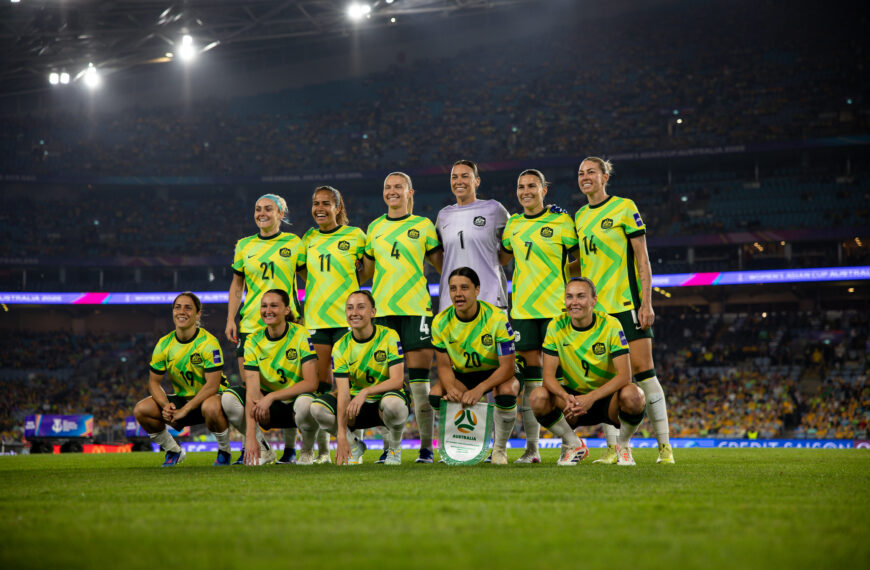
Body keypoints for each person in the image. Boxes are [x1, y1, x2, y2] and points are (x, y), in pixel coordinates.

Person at [573, 157, 674, 464]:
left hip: (626, 306)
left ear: (605, 177)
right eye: (581, 173)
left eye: (591, 171)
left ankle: (664, 448)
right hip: (597, 313)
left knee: (644, 373)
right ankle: (614, 449)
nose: (585, 177)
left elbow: (643, 260)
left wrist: (647, 302)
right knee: (606, 381)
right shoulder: (578, 216)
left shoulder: (624, 207)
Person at [360, 172, 443, 463]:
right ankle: (391, 448)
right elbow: (365, 274)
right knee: (388, 386)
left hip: (416, 310)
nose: (392, 191)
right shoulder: (374, 227)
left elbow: (443, 264)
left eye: (398, 187)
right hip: (381, 313)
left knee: (420, 385)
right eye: (387, 187)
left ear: (410, 192)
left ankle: (426, 449)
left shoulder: (423, 226)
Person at [500, 169, 579, 463]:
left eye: (532, 186)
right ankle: (532, 450)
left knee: (559, 380)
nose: (525, 191)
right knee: (531, 383)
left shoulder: (561, 221)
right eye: (521, 187)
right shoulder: (513, 225)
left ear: (544, 189)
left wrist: (565, 286)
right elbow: (503, 257)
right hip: (522, 311)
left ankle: (568, 447)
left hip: (556, 311)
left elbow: (577, 258)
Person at [529, 278, 646, 466]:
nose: (574, 302)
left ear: (594, 300)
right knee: (537, 397)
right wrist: (565, 396)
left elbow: (625, 375)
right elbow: (548, 377)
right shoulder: (555, 326)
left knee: (635, 395)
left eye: (581, 296)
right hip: (572, 402)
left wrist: (591, 397)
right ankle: (574, 444)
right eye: (569, 297)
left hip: (608, 399)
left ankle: (623, 446)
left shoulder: (611, 325)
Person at [225, 193, 304, 463]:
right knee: (252, 389)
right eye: (258, 209)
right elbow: (237, 286)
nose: (262, 213)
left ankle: (291, 449)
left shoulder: (294, 243)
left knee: (289, 385)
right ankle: (259, 447)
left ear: (281, 214)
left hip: (286, 324)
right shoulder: (244, 245)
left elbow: (309, 279)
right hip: (251, 326)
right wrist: (230, 319)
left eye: (269, 209)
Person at [297, 185, 367, 464]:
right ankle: (323, 451)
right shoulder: (308, 239)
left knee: (347, 384)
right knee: (319, 384)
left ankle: (353, 447)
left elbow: (367, 272)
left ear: (339, 207)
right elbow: (302, 272)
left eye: (326, 203)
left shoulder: (356, 235)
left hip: (347, 320)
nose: (320, 208)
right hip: (316, 319)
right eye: (316, 203)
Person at [428, 267, 519, 464]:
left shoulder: (496, 319)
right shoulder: (440, 322)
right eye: (453, 288)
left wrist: (480, 389)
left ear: (477, 290)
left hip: (497, 371)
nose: (458, 293)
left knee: (506, 392)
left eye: (464, 288)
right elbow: (443, 366)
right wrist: (451, 388)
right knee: (437, 396)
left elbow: (508, 367)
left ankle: (499, 449)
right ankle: (459, 447)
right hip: (464, 373)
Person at [221, 289, 320, 465]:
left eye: (274, 305)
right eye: (264, 306)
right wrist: (251, 437)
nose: (268, 310)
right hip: (265, 408)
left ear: (287, 310)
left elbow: (311, 382)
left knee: (306, 404)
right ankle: (264, 449)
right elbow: (252, 390)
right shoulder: (253, 341)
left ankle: (306, 450)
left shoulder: (301, 334)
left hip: (295, 404)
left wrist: (272, 397)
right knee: (229, 398)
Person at [310, 291, 409, 465]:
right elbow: (342, 393)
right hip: (355, 406)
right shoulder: (341, 346)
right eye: (349, 308)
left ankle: (394, 449)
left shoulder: (389, 336)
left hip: (384, 401)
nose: (354, 312)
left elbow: (397, 380)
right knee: (317, 408)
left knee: (394, 404)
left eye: (361, 307)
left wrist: (366, 391)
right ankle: (354, 445)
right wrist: (342, 435)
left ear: (373, 312)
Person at [133, 292, 231, 467]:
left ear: (198, 313)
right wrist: (165, 405)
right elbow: (154, 383)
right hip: (183, 400)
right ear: (172, 312)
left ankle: (224, 451)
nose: (181, 311)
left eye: (188, 307)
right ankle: (173, 451)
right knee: (141, 409)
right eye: (177, 307)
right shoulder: (164, 344)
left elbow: (213, 385)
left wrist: (185, 409)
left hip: (212, 400)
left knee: (210, 406)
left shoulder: (209, 342)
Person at [435, 159, 510, 313]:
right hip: (453, 303)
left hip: (489, 300)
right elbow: (438, 256)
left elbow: (517, 234)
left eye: (465, 176)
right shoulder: (443, 215)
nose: (458, 181)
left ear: (477, 181)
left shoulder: (494, 209)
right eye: (454, 177)